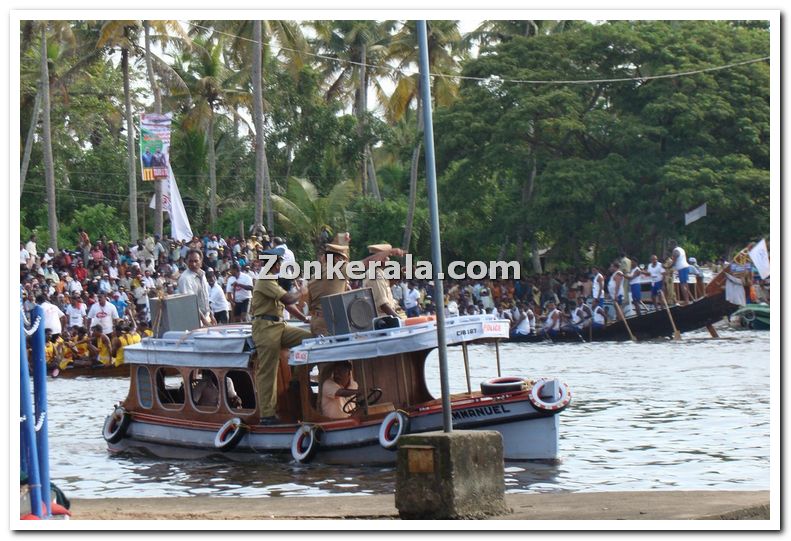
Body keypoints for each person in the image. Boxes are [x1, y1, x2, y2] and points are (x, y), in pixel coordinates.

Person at [250, 246, 312, 425]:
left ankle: (295, 379)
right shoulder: (265, 279)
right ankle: (267, 415)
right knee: (268, 371)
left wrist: (304, 319)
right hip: (265, 328)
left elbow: (286, 304)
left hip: (278, 325)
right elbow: (289, 299)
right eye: (278, 262)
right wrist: (303, 290)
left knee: (310, 340)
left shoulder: (272, 279)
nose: (279, 265)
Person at [306, 243, 351, 336]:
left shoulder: (315, 275)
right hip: (330, 322)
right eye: (342, 259)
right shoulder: (338, 271)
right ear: (336, 259)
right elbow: (365, 263)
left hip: (317, 320)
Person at [361, 244, 407, 319]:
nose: (388, 259)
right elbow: (383, 305)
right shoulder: (375, 274)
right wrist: (400, 321)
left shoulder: (379, 272)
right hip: (384, 322)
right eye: (386, 257)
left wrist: (400, 273)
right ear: (380, 258)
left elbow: (386, 288)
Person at [177, 249, 212, 326]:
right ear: (186, 261)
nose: (193, 264)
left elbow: (205, 297)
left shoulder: (202, 274)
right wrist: (204, 322)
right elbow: (191, 303)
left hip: (206, 317)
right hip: (194, 320)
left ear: (201, 261)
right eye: (190, 261)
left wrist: (211, 316)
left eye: (196, 261)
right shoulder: (185, 279)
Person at [669, 240, 691, 304]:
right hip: (685, 267)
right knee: (685, 284)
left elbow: (675, 260)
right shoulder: (681, 249)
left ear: (672, 245)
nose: (669, 246)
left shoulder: (675, 250)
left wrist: (669, 267)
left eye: (670, 245)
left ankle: (686, 301)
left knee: (682, 285)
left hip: (682, 268)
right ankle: (688, 300)